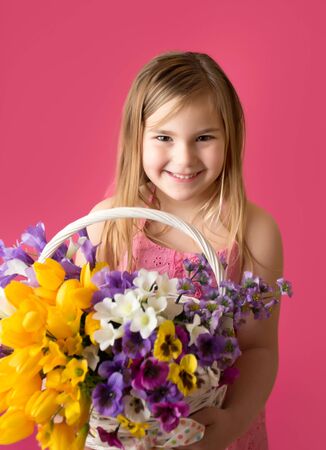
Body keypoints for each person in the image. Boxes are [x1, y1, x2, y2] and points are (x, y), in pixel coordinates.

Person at [76, 50, 283, 450]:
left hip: (215, 428)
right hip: (129, 432)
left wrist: (231, 422)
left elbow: (260, 348)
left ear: (230, 137)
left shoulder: (254, 232)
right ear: (137, 138)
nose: (184, 158)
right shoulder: (110, 222)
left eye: (204, 137)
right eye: (164, 138)